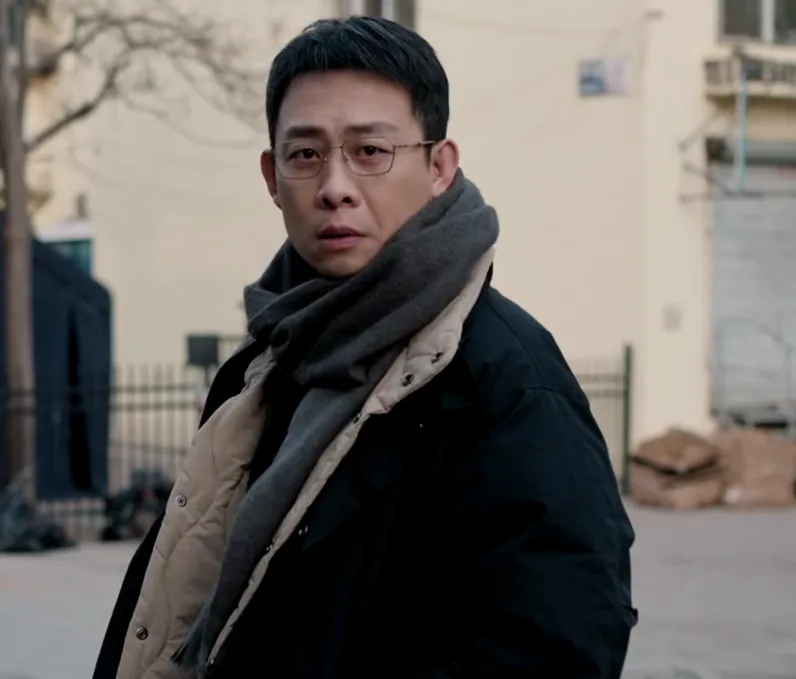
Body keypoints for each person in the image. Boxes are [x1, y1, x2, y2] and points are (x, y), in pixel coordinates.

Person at [93, 15, 636, 679]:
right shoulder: (268, 360)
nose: (335, 187)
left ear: (439, 167)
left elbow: (559, 646)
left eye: (370, 151)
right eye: (305, 154)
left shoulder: (504, 379)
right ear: (271, 176)